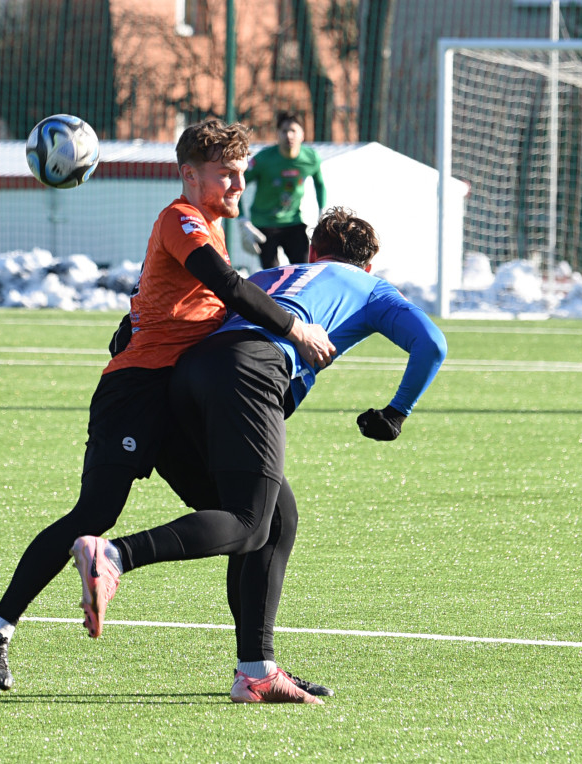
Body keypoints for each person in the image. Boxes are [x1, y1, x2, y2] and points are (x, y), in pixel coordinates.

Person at [0, 118, 335, 693]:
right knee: (95, 514)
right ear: (189, 176)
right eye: (226, 175)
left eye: (241, 173)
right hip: (136, 394)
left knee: (265, 518)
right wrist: (297, 330)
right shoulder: (180, 218)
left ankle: (257, 669)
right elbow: (228, 286)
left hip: (178, 401)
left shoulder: (207, 223)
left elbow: (179, 301)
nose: (238, 185)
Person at [71, 207, 448, 704]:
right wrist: (396, 412)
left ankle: (256, 668)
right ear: (369, 265)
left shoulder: (270, 275)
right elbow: (432, 345)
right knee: (251, 521)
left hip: (186, 377)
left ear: (311, 252)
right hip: (249, 373)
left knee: (277, 517)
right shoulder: (371, 288)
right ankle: (115, 556)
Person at [241, 111, 326, 269]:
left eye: (293, 130)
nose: (289, 135)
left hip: (293, 222)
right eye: (284, 131)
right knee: (272, 274)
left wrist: (322, 212)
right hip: (264, 223)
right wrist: (242, 220)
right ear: (277, 135)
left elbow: (320, 184)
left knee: (304, 270)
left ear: (302, 134)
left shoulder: (311, 158)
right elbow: (237, 184)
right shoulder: (263, 159)